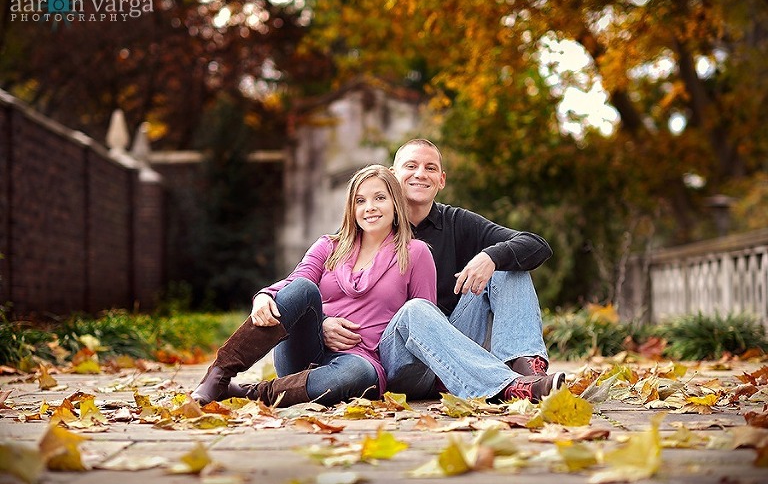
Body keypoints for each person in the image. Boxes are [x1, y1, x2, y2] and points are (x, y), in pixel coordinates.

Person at [322, 138, 564, 402]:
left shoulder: (457, 222)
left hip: (455, 345)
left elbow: (536, 245)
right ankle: (504, 384)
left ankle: (527, 372)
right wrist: (322, 324)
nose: (420, 174)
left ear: (442, 179)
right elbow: (329, 291)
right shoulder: (368, 226)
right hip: (396, 356)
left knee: (507, 265)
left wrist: (490, 257)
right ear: (392, 176)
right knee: (416, 310)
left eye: (430, 168)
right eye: (411, 166)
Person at [191, 164, 437, 407]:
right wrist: (264, 296)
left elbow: (420, 323)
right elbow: (296, 281)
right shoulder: (328, 246)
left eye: (379, 198)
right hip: (304, 351)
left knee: (358, 372)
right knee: (304, 288)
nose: (369, 208)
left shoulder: (415, 253)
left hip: (361, 360)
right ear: (351, 209)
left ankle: (252, 393)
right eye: (360, 201)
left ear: (395, 203)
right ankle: (219, 375)